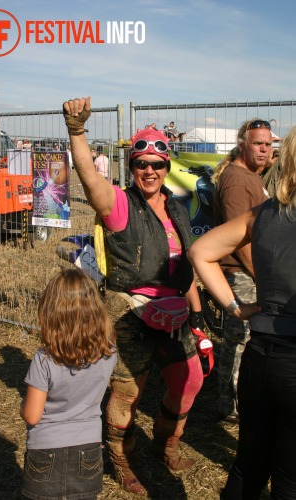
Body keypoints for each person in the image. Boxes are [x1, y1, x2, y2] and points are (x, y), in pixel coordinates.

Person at [63, 96, 205, 496]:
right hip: (130, 314)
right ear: (132, 167)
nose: (149, 170)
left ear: (167, 167)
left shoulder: (176, 208)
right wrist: (77, 131)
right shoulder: (120, 204)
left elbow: (185, 266)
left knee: (190, 380)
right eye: (141, 163)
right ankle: (123, 462)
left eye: (157, 164)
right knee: (128, 393)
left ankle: (165, 445)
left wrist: (197, 316)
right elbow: (89, 175)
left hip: (176, 312)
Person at [188, 125, 296, 500]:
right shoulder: (244, 190)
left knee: (250, 465)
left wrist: (239, 309)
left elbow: (201, 251)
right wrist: (237, 305)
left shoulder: (264, 212)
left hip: (261, 359)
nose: (267, 150)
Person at [20, 268, 117, 500]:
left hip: (45, 450)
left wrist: (23, 404)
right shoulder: (109, 352)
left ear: (51, 313)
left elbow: (32, 416)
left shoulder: (44, 359)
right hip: (89, 450)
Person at [211, 119, 272, 423]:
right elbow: (237, 241)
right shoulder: (236, 180)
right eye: (258, 143)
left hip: (250, 273)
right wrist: (260, 275)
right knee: (238, 341)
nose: (264, 148)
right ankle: (230, 406)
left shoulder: (250, 175)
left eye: (269, 143)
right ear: (242, 144)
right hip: (241, 273)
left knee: (246, 340)